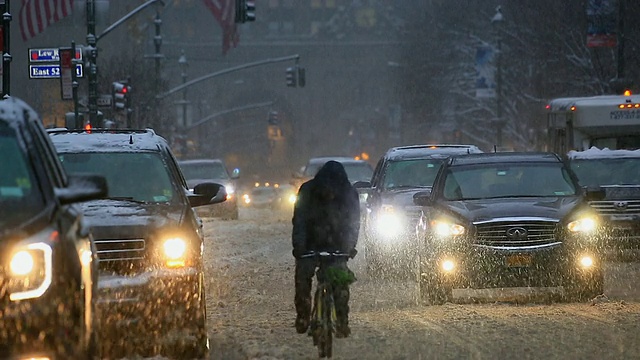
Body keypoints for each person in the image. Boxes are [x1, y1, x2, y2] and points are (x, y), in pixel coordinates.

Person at [291, 160, 360, 338]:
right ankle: (303, 315)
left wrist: (348, 247)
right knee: (303, 278)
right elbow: (300, 222)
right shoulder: (307, 192)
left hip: (337, 245)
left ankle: (342, 321)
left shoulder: (349, 194)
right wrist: (299, 247)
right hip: (310, 244)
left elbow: (352, 224)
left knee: (340, 283)